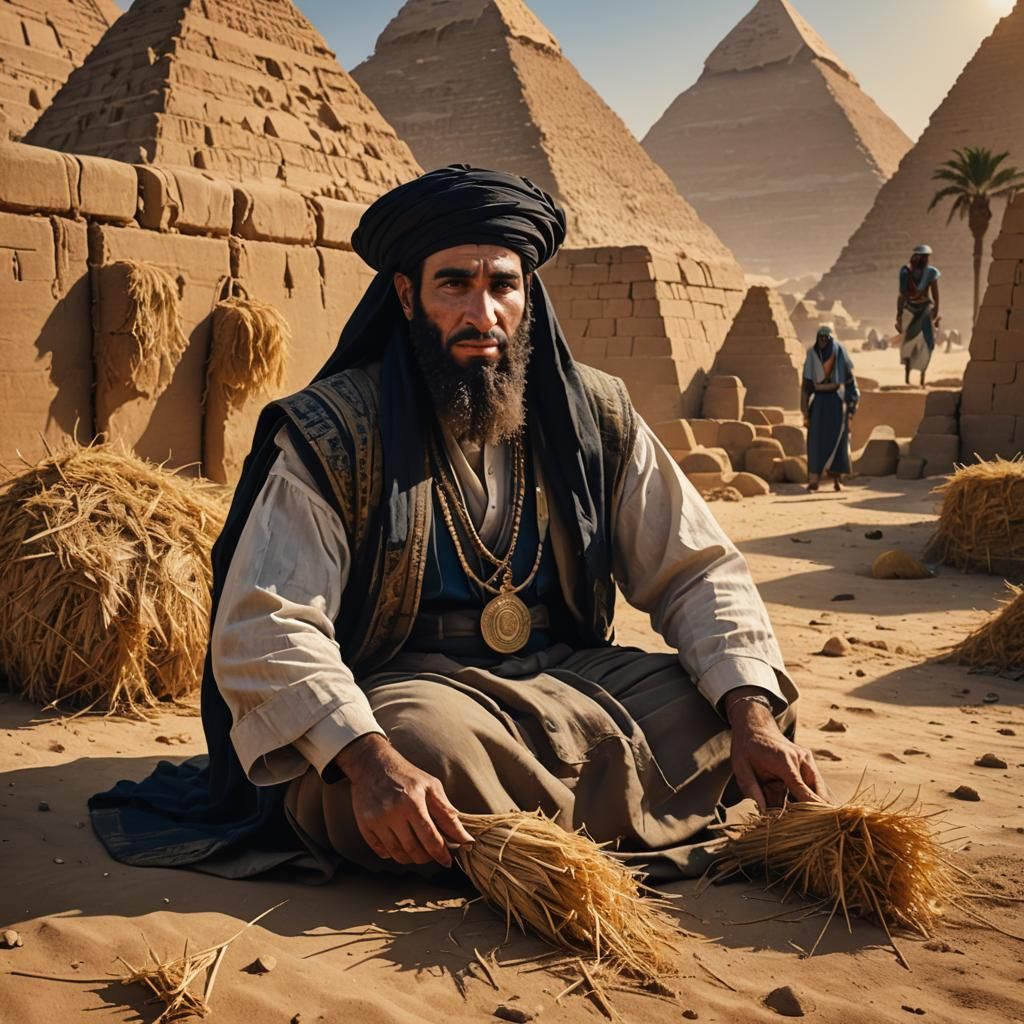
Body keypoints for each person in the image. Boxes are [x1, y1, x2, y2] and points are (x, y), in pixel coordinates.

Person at [90, 167, 829, 884]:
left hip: (568, 678)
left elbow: (697, 569)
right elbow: (267, 620)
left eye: (502, 285)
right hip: (416, 690)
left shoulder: (594, 415)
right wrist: (370, 760)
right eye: (454, 285)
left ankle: (511, 833)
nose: (483, 315)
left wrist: (750, 716)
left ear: (528, 293)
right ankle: (591, 816)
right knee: (416, 747)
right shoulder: (335, 431)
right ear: (406, 295)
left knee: (744, 703)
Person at [802, 325, 859, 493]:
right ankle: (814, 480)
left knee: (838, 441)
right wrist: (805, 412)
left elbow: (850, 382)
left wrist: (851, 405)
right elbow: (806, 387)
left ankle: (837, 479)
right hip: (818, 405)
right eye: (821, 337)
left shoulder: (839, 354)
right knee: (815, 442)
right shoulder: (812, 356)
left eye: (827, 337)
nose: (824, 341)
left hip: (836, 403)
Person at [897, 244, 941, 386]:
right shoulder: (906, 272)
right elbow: (902, 295)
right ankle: (909, 379)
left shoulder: (930, 272)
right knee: (910, 346)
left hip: (921, 312)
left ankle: (920, 380)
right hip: (911, 312)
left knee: (925, 345)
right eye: (924, 257)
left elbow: (935, 294)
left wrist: (935, 311)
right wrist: (899, 315)